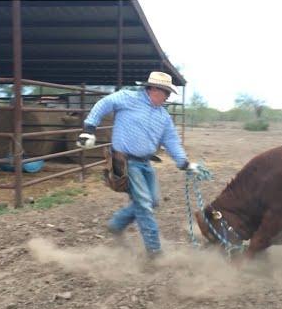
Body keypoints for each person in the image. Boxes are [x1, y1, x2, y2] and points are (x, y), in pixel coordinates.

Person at [76, 71, 201, 259]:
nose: (167, 97)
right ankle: (155, 251)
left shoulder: (163, 116)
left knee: (154, 201)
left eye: (168, 93)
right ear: (153, 89)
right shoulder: (128, 98)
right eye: (165, 92)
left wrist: (184, 163)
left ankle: (117, 224)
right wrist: (89, 128)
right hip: (125, 161)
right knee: (144, 204)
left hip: (144, 163)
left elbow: (171, 140)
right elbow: (104, 103)